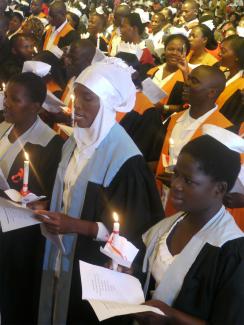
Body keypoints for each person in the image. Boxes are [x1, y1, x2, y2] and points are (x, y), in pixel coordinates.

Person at [35, 58, 163, 324]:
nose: (76, 104)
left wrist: (76, 226)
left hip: (93, 272)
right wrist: (47, 206)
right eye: (76, 94)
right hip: (61, 259)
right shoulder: (74, 141)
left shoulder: (126, 161)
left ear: (106, 103)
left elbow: (131, 233)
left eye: (87, 98)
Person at [135, 133, 244, 324]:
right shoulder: (169, 225)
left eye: (188, 181)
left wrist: (172, 318)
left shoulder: (231, 251)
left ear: (219, 189)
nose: (175, 185)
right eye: (176, 174)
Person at [0, 72, 63, 325]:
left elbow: (46, 197)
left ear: (36, 107)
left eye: (14, 99)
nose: (5, 103)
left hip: (19, 239)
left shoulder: (51, 145)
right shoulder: (3, 128)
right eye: (6, 97)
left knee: (12, 298)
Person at [156, 65, 233, 216]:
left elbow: (219, 183)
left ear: (211, 92)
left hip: (191, 213)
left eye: (194, 81)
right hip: (161, 201)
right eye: (189, 78)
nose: (186, 83)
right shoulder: (175, 118)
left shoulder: (224, 131)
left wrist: (181, 180)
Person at [217, 35, 244, 125]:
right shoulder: (221, 71)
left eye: (223, 51)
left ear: (237, 56)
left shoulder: (241, 87)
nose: (219, 54)